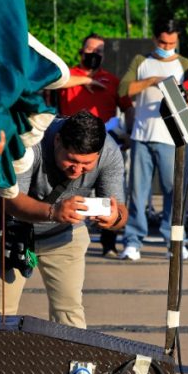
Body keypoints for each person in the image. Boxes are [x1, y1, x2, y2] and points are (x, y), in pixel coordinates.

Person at [0, 110, 127, 328]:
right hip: (9, 232)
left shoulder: (109, 152)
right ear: (57, 140)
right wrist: (53, 212)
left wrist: (115, 219)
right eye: (71, 160)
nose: (77, 170)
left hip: (64, 237)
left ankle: (71, 361)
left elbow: (121, 210)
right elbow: (9, 201)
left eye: (87, 164)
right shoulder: (29, 142)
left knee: (70, 314)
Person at [118, 19, 188, 262]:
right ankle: (132, 241)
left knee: (175, 191)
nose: (167, 46)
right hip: (142, 136)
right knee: (138, 192)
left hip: (173, 139)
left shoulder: (184, 64)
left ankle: (175, 242)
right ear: (155, 39)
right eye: (163, 42)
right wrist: (152, 81)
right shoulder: (142, 61)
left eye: (172, 42)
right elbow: (123, 90)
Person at [59, 33, 132, 258]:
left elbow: (127, 106)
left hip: (104, 144)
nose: (94, 55)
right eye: (90, 51)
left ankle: (108, 243)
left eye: (99, 52)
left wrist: (129, 132)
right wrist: (87, 81)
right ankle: (60, 235)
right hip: (70, 146)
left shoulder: (112, 80)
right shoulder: (68, 75)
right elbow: (56, 82)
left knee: (108, 193)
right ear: (81, 52)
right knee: (66, 192)